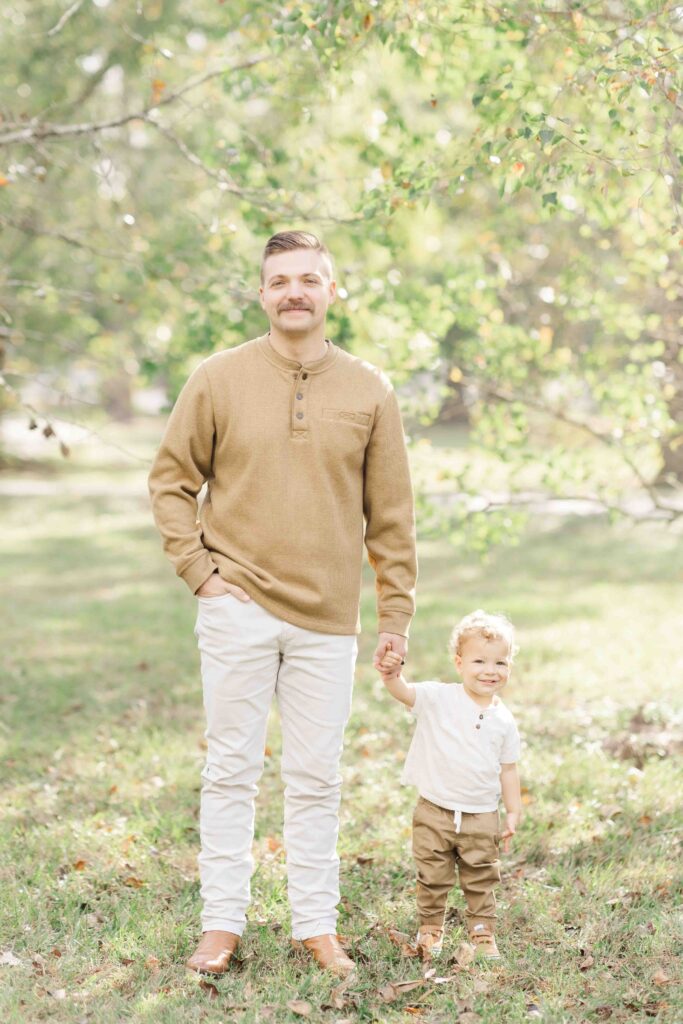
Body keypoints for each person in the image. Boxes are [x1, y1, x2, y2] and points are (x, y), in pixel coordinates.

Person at [148, 231, 417, 976]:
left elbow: (391, 517)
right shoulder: (218, 377)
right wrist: (199, 572)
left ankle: (315, 926)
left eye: (308, 279)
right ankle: (220, 925)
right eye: (279, 281)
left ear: (332, 291)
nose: (293, 291)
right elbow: (171, 480)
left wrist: (393, 614)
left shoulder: (369, 389)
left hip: (327, 616)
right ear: (261, 294)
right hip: (235, 602)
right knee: (231, 769)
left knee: (315, 776)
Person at [378, 610, 522, 960]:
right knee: (432, 874)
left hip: (481, 815)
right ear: (459, 663)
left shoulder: (504, 720)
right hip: (434, 809)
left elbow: (508, 769)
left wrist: (514, 810)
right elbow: (404, 691)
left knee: (481, 876)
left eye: (500, 662)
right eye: (479, 661)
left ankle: (482, 931)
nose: (490, 670)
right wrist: (391, 674)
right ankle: (430, 928)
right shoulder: (438, 698)